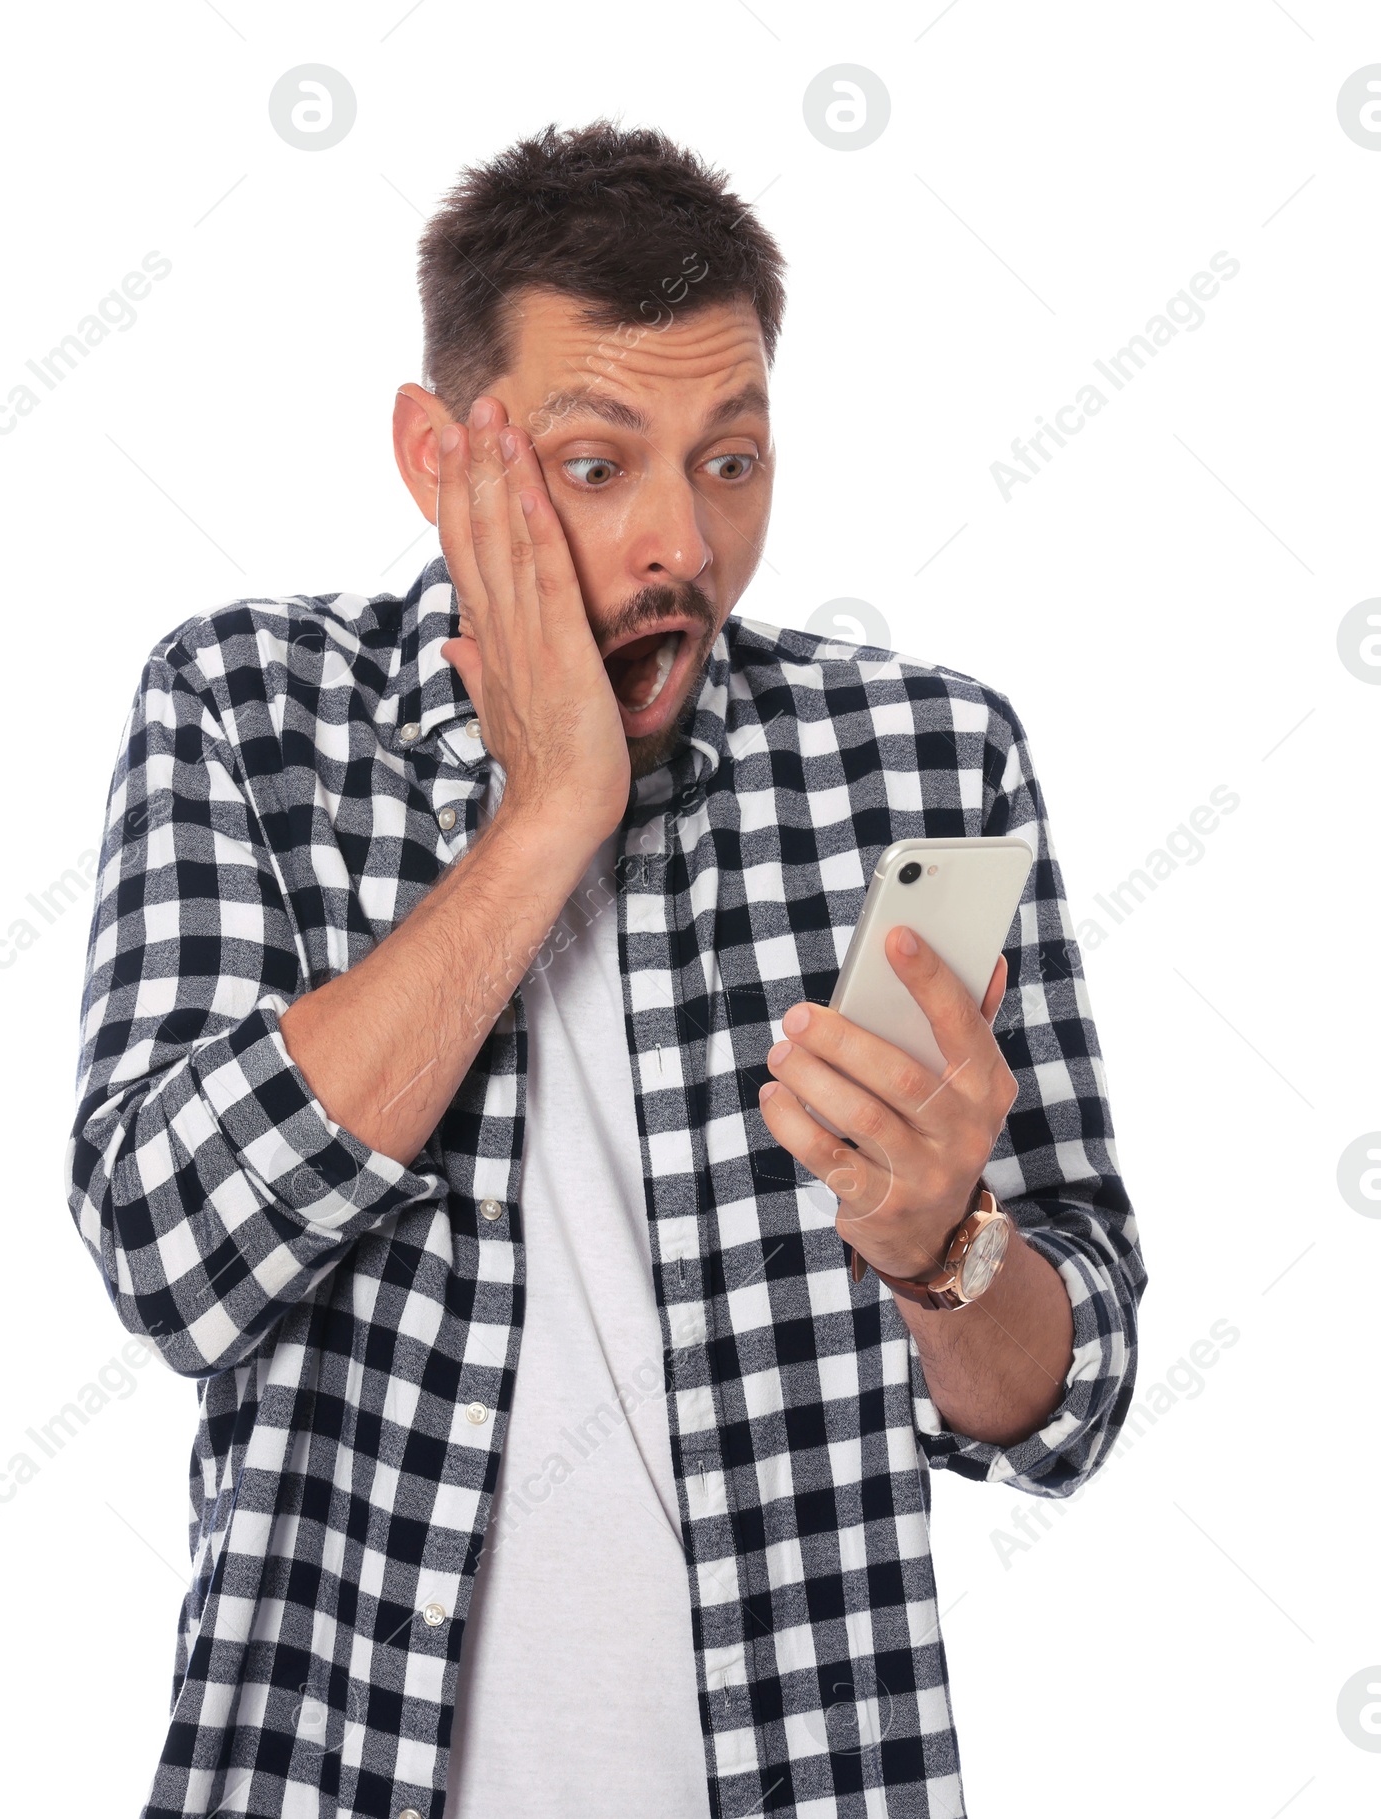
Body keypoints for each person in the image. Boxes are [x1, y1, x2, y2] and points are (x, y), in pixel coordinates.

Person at [67, 120, 1144, 1819]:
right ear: (439, 456)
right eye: (596, 464)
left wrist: (948, 1253)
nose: (683, 547)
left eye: (731, 461)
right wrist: (554, 807)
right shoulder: (248, 709)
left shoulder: (924, 765)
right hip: (327, 1766)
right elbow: (167, 1254)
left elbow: (1064, 1408)